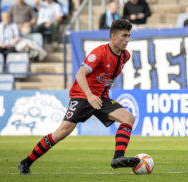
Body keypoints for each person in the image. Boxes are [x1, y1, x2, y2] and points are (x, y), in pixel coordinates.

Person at [18, 19, 140, 175]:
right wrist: (89, 95)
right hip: (82, 95)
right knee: (61, 132)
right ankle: (26, 162)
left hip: (101, 98)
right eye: (124, 36)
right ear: (114, 36)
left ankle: (118, 158)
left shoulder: (125, 55)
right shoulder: (99, 53)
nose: (127, 40)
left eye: (129, 36)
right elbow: (80, 73)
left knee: (128, 118)